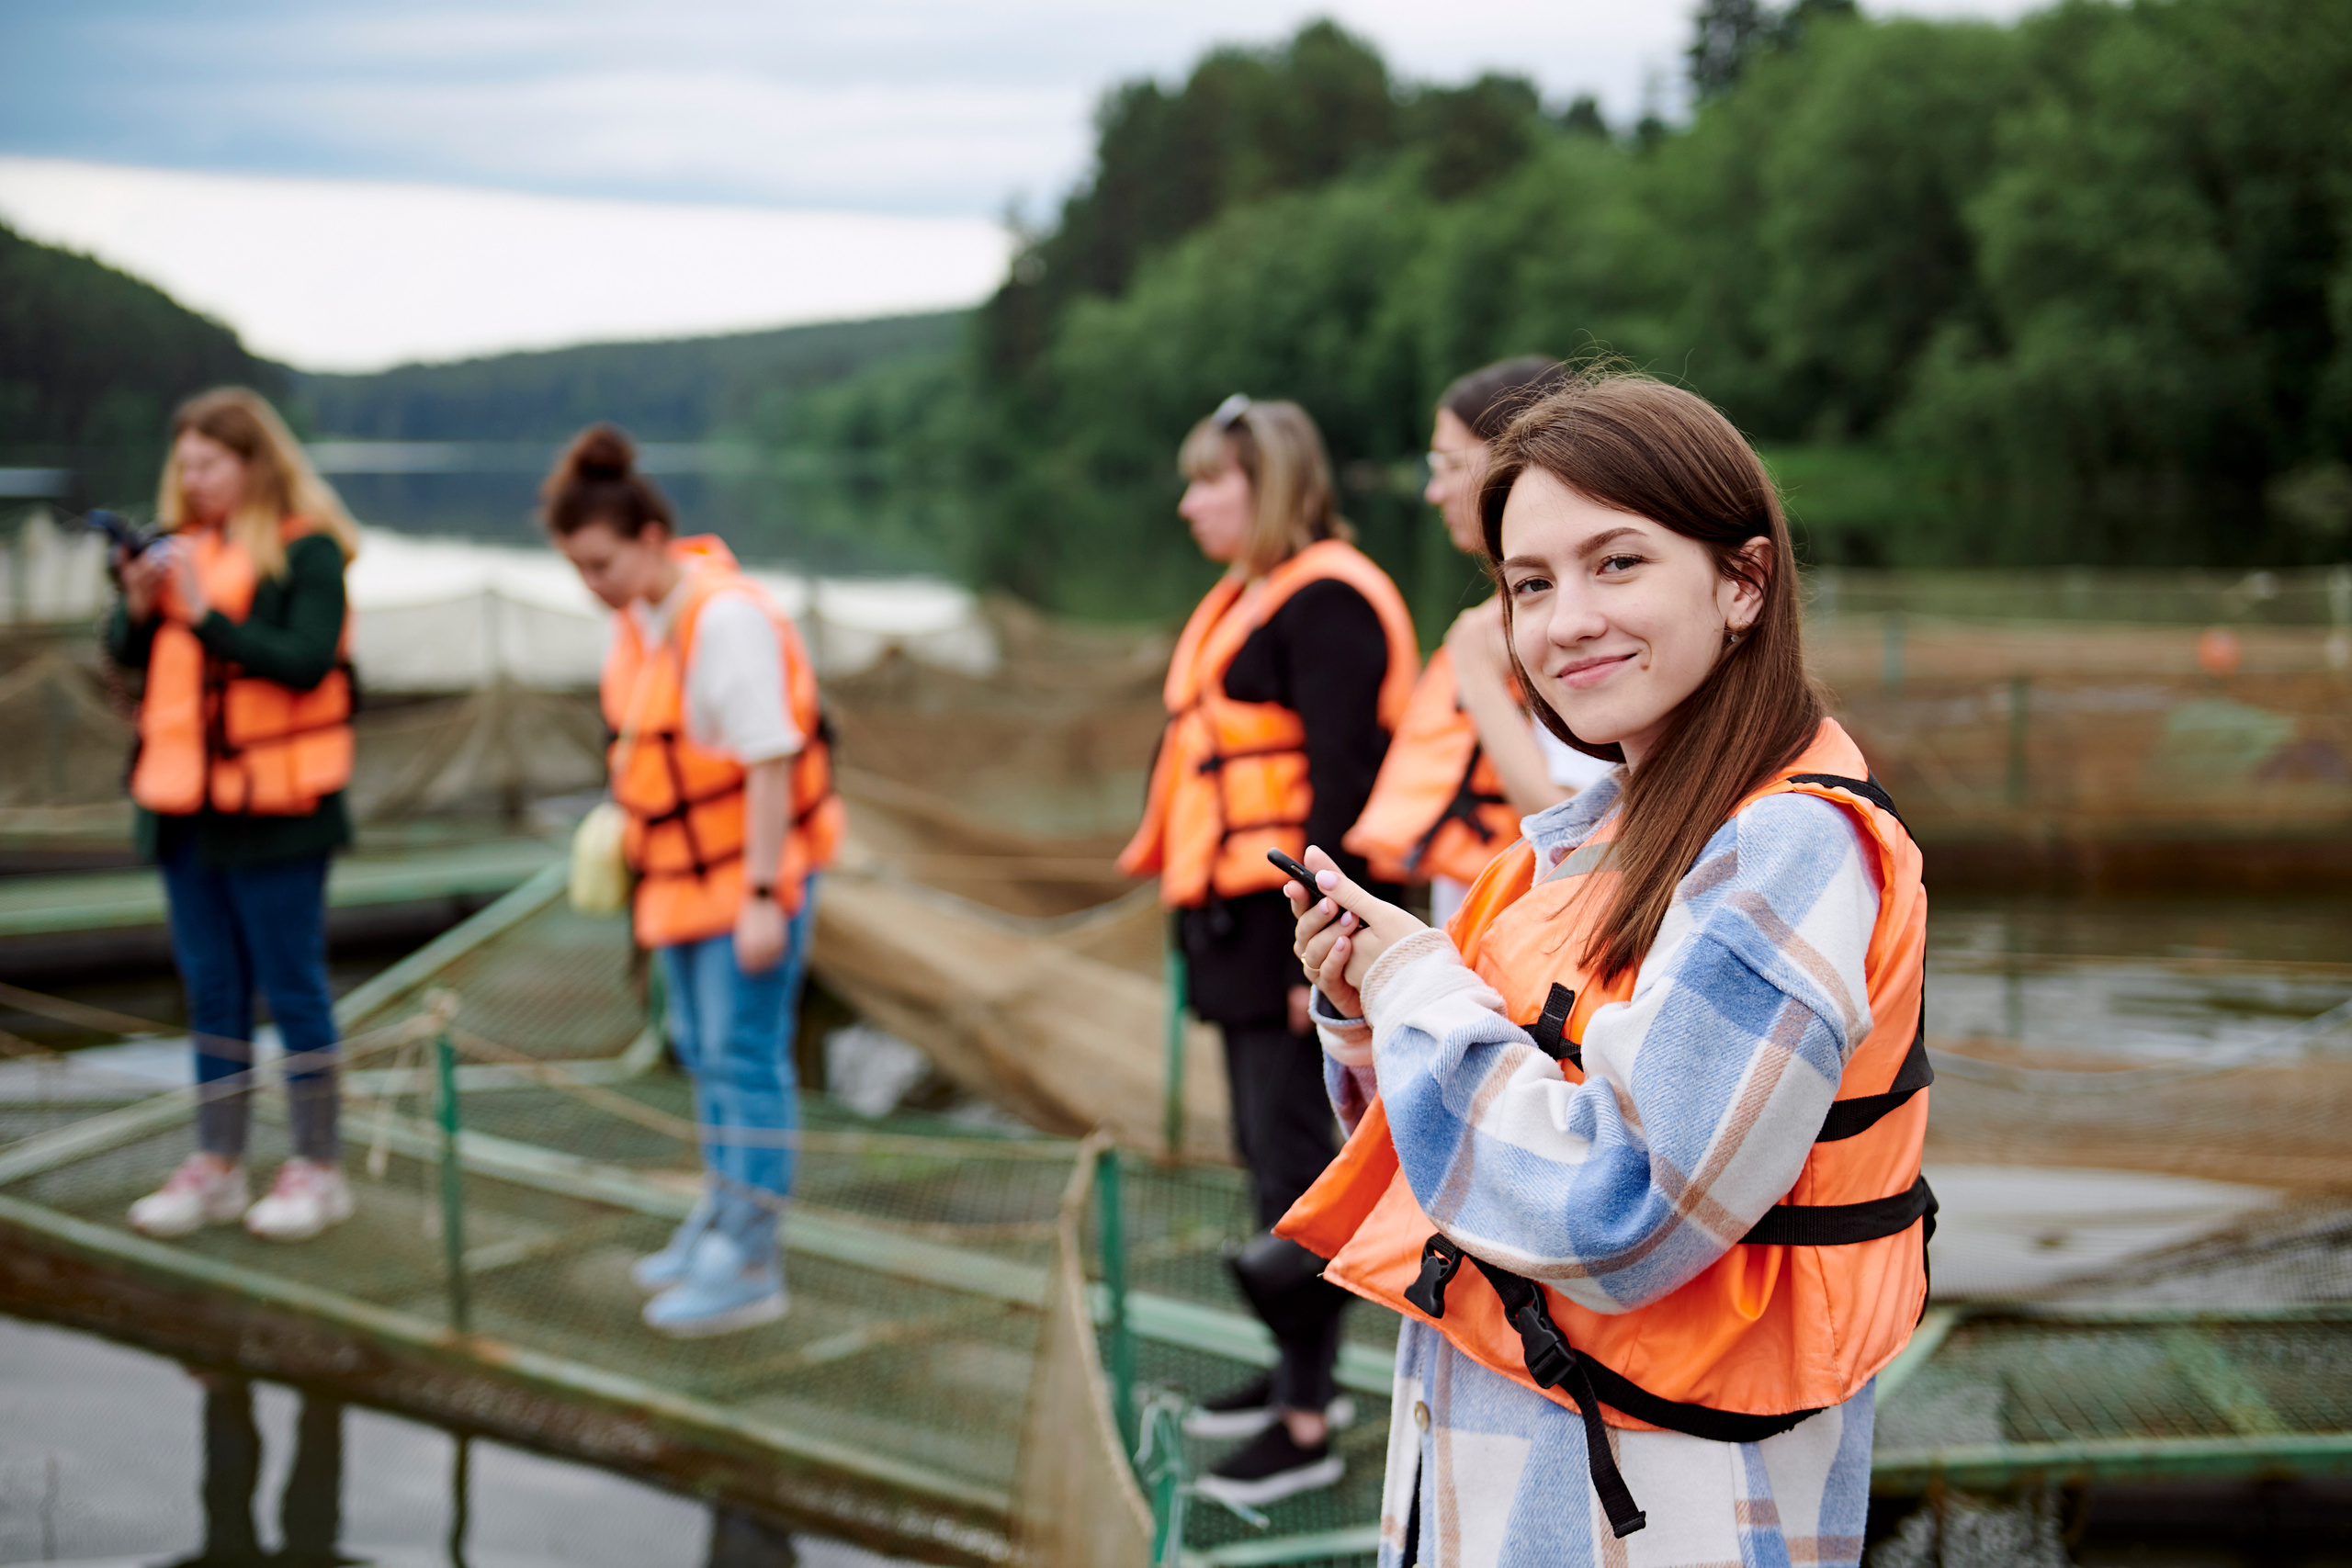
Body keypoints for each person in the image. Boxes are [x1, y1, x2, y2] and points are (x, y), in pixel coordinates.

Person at [1279, 371, 1932, 1565]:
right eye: (1530, 583)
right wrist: (1366, 1000)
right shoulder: (1599, 827)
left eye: (1617, 563)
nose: (1565, 618)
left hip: (1657, 1490)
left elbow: (1633, 1215)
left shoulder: (1789, 849)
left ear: (1743, 581)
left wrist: (1421, 985)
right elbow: (1444, 1153)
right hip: (1518, 1438)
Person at [1115, 395, 1422, 1506]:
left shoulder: (1328, 601)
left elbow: (1348, 789)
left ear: (1273, 488)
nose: (1190, 501)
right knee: (1265, 1157)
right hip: (1234, 927)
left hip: (1298, 935)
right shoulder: (1245, 600)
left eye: (1212, 482)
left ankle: (1304, 1428)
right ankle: (1306, 1380)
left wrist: (1330, 965)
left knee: (1301, 1167)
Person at [543, 425, 843, 1338]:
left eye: (599, 564)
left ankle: (751, 1261)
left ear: (646, 539)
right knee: (706, 1054)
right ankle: (719, 1217)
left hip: (748, 880)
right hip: (678, 878)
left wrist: (761, 898)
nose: (590, 586)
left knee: (747, 1057)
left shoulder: (725, 619)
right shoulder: (642, 618)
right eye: (576, 569)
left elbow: (769, 760)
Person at [116, 389, 364, 1244]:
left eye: (208, 464)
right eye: (183, 465)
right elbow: (130, 656)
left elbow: (304, 662)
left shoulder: (311, 551)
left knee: (293, 988)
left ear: (255, 463)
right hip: (185, 811)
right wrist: (139, 606)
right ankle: (217, 1164)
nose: (192, 480)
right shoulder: (185, 549)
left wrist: (207, 614)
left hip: (279, 814)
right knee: (211, 989)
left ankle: (319, 1169)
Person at [1347, 358, 1615, 925]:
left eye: (1448, 465)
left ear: (1516, 460)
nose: (1434, 491)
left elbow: (1578, 828)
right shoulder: (1496, 619)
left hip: (1547, 944)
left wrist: (1477, 675)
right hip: (1483, 943)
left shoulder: (1564, 626)